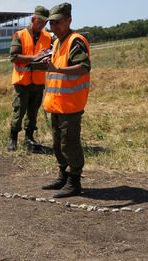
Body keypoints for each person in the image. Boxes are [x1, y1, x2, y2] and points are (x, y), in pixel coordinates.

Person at [42, 3, 91, 198]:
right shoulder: (56, 42)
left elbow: (84, 67)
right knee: (58, 144)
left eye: (58, 23)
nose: (54, 27)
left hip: (70, 105)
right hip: (56, 104)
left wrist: (57, 69)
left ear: (69, 20)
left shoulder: (75, 41)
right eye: (51, 24)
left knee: (69, 144)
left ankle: (74, 181)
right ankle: (63, 175)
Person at [7, 6, 53, 153]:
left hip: (38, 82)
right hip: (22, 82)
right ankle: (13, 138)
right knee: (19, 111)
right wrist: (34, 58)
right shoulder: (19, 35)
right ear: (33, 19)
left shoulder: (48, 37)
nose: (42, 25)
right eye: (40, 22)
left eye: (45, 23)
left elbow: (53, 53)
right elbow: (13, 56)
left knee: (33, 112)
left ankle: (29, 137)